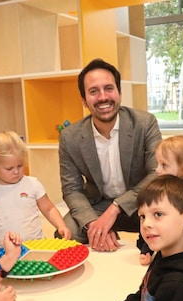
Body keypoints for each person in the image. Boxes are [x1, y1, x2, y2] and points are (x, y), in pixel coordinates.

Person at [58, 58, 162, 252]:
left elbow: (157, 174)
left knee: (170, 224)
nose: (103, 97)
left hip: (142, 200)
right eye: (93, 91)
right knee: (67, 232)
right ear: (83, 100)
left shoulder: (145, 123)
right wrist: (94, 225)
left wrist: (116, 208)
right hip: (99, 204)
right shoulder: (69, 137)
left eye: (108, 88)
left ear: (119, 93)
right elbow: (72, 189)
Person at [0, 131, 71, 247]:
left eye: (20, 165)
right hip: (6, 251)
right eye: (9, 168)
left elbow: (48, 209)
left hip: (36, 245)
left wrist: (61, 226)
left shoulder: (33, 184)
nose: (16, 172)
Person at [138, 135, 183, 266]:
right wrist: (146, 250)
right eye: (157, 163)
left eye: (164, 165)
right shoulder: (159, 194)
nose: (157, 170)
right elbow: (148, 223)